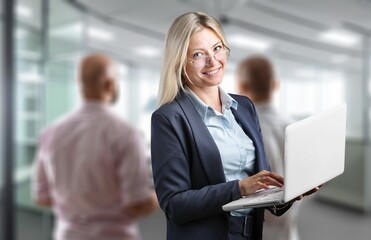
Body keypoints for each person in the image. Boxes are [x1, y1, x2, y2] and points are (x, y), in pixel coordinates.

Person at [151, 12, 318, 240]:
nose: (213, 61)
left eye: (217, 48)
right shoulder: (169, 118)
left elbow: (259, 184)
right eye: (198, 54)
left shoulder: (244, 107)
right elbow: (174, 205)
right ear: (179, 61)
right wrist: (238, 188)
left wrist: (286, 193)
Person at [32, 53, 158, 240]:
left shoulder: (51, 132)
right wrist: (160, 197)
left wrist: (78, 204)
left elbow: (42, 197)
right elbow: (136, 204)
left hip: (67, 235)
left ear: (79, 83)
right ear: (110, 85)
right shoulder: (125, 133)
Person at [237, 55, 301, 240]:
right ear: (276, 85)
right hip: (288, 231)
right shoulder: (293, 126)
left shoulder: (238, 131)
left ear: (242, 87)